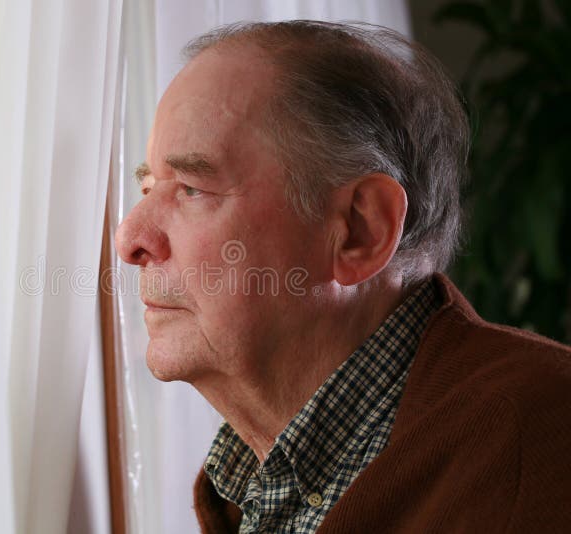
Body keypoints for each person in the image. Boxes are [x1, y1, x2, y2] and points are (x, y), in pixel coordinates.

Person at [114, 20, 571, 533]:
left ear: (360, 230)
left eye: (193, 188)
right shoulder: (252, 484)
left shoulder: (539, 449)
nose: (130, 238)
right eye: (149, 187)